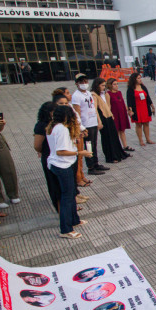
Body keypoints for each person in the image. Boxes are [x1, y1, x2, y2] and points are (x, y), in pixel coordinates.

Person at [46, 105, 90, 239]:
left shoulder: (55, 127)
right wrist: (79, 152)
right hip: (62, 165)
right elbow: (61, 151)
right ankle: (65, 229)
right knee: (66, 196)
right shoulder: (62, 129)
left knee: (71, 193)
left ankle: (74, 220)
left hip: (63, 164)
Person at [71, 74, 109, 176]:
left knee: (94, 144)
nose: (84, 84)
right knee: (88, 146)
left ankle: (96, 163)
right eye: (81, 82)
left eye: (85, 81)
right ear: (77, 83)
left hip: (93, 122)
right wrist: (80, 127)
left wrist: (98, 121)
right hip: (85, 124)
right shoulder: (76, 96)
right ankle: (91, 167)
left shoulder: (88, 93)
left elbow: (93, 108)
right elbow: (77, 112)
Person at [91, 78, 130, 163]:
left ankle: (118, 153)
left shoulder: (103, 94)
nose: (103, 87)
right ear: (97, 85)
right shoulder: (94, 95)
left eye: (104, 85)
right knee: (107, 138)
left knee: (114, 136)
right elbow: (95, 109)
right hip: (102, 118)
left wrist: (111, 114)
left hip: (108, 116)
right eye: (102, 85)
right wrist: (99, 121)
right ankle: (110, 157)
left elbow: (107, 106)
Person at [33, 102, 61, 211]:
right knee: (54, 184)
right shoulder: (41, 125)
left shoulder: (57, 123)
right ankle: (59, 209)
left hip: (59, 157)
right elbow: (37, 145)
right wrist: (44, 152)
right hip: (49, 157)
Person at [126, 72, 156, 146]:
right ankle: (141, 140)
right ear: (134, 79)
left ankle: (148, 139)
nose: (140, 79)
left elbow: (148, 97)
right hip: (137, 108)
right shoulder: (130, 89)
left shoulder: (143, 87)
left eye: (140, 78)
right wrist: (130, 110)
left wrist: (152, 106)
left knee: (146, 123)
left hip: (145, 107)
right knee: (138, 124)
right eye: (138, 78)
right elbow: (129, 100)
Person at [105, 77, 134, 152]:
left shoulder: (119, 92)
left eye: (117, 84)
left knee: (122, 130)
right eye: (114, 84)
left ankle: (125, 146)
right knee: (116, 131)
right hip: (115, 114)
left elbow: (123, 103)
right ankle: (117, 147)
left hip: (122, 113)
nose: (116, 85)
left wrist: (128, 110)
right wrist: (110, 115)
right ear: (110, 85)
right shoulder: (108, 94)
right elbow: (108, 106)